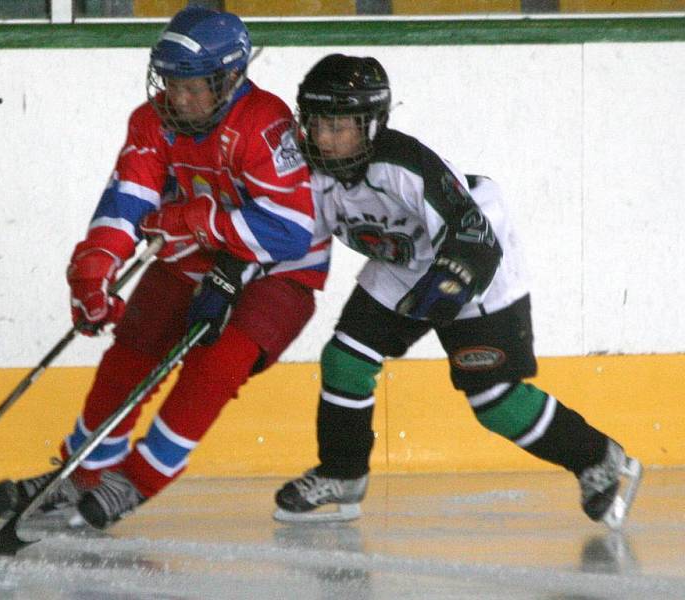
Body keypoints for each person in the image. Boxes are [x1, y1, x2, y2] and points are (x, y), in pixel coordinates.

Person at [0, 7, 328, 533]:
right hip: (194, 254)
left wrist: (192, 219)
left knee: (215, 363)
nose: (179, 98)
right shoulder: (151, 121)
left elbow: (288, 231)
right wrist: (95, 264)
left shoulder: (265, 126)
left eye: (194, 86)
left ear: (231, 78)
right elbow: (129, 199)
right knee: (133, 350)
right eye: (171, 82)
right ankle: (83, 471)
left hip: (278, 272)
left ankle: (139, 478)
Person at [272, 54, 642, 529]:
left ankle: (597, 457)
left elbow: (473, 234)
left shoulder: (403, 163)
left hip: (476, 259)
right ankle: (342, 474)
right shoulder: (306, 174)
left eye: (340, 125)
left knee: (493, 400)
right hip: (404, 264)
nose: (324, 138)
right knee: (346, 359)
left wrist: (452, 282)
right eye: (317, 122)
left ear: (371, 124)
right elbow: (284, 236)